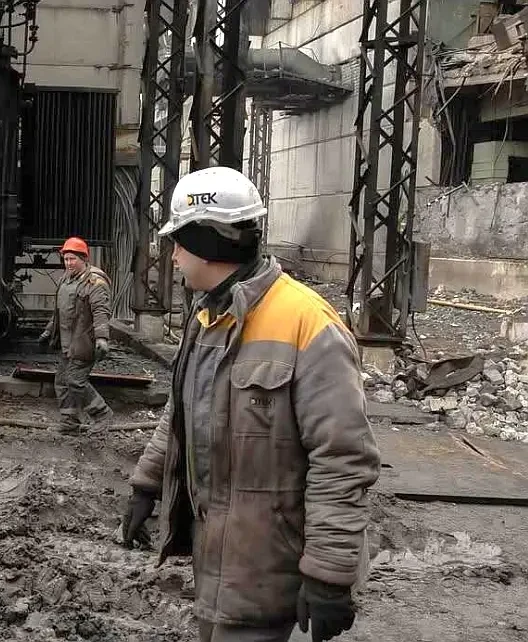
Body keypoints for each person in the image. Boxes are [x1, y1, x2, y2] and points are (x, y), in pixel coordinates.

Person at [118, 166, 380, 642]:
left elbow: (343, 458)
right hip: (216, 564)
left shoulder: (307, 324)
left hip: (268, 570)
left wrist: (330, 572)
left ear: (209, 242)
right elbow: (180, 411)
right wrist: (147, 484)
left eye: (179, 242)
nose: (173, 255)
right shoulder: (208, 316)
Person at [39, 236, 114, 434]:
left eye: (72, 259)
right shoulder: (65, 279)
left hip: (84, 341)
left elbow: (101, 312)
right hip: (67, 342)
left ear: (84, 259)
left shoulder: (95, 282)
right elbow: (59, 311)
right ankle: (69, 422)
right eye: (66, 259)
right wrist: (49, 330)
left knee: (75, 380)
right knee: (62, 381)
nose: (69, 263)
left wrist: (102, 338)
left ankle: (102, 414)